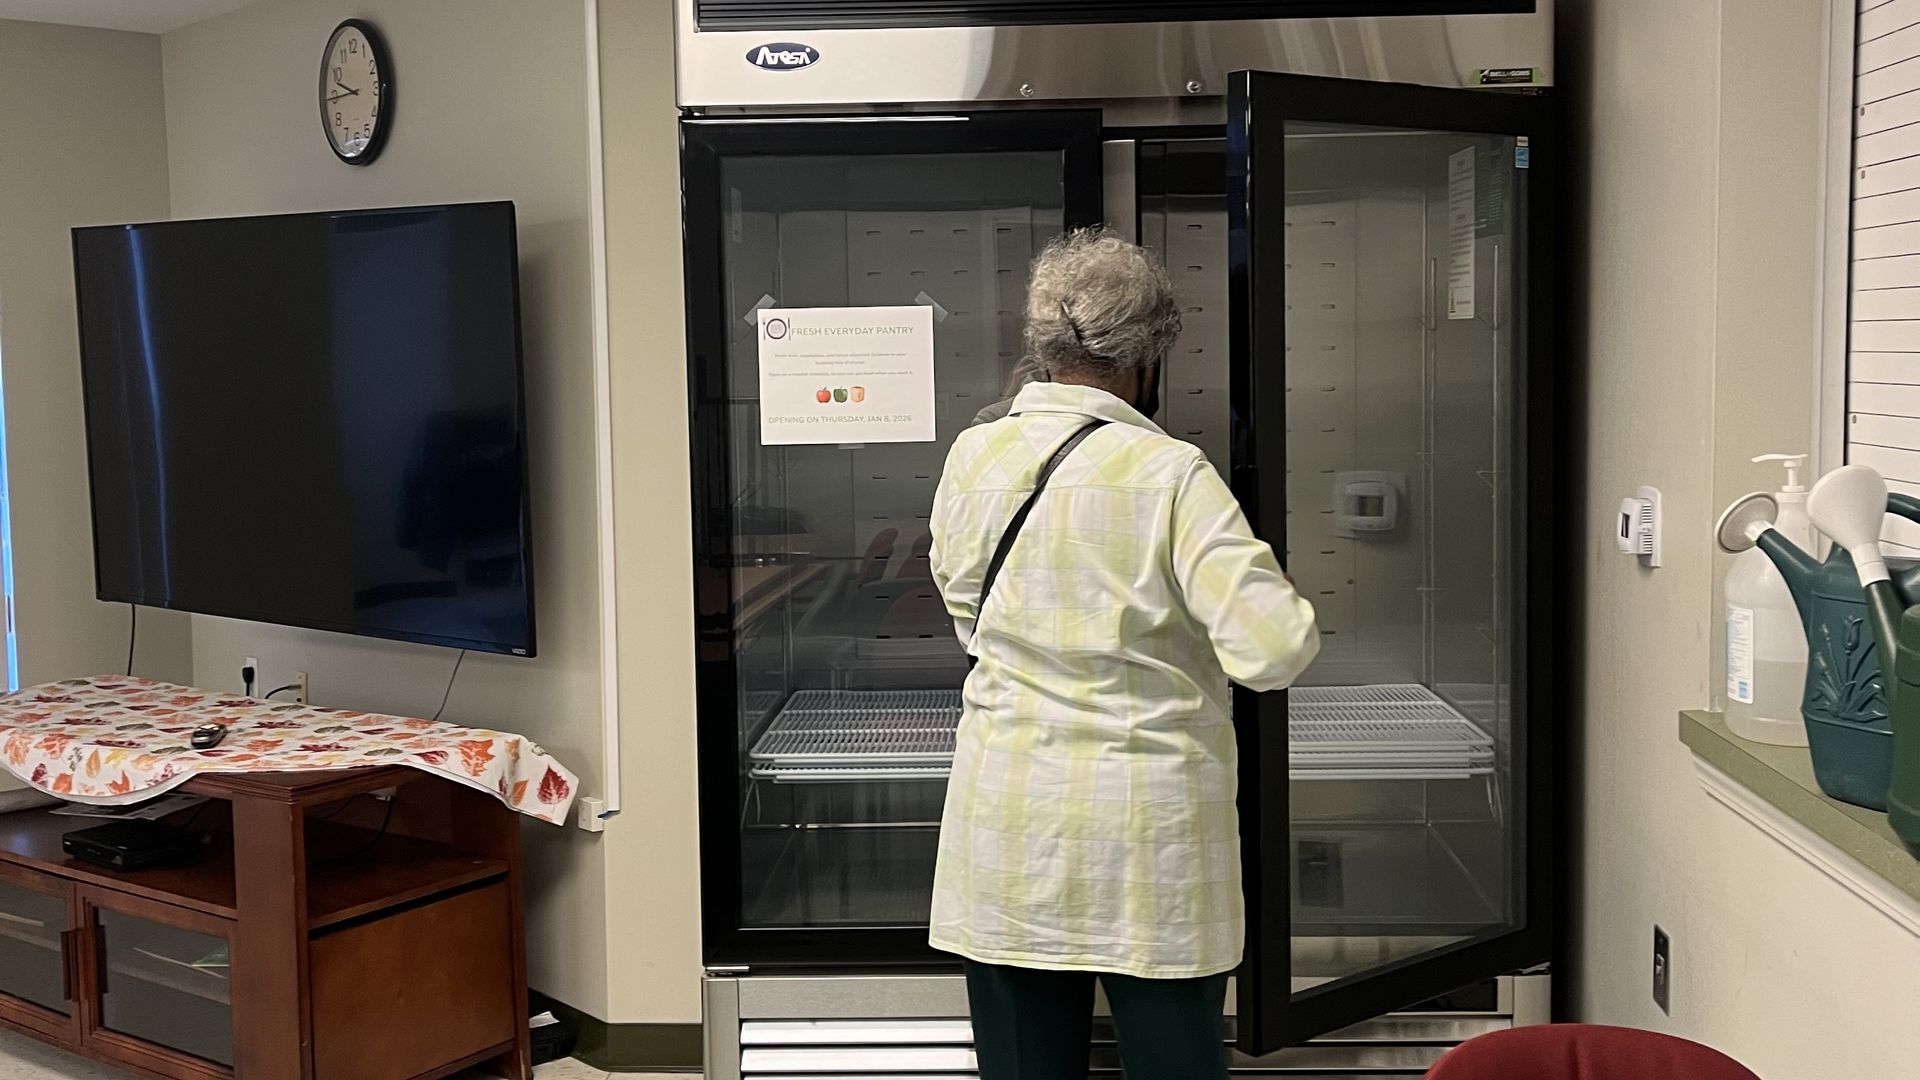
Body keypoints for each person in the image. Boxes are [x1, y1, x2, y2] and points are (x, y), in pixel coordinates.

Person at [927, 227, 1322, 1079]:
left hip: (1009, 821)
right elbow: (1272, 649)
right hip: (1151, 837)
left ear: (1042, 343)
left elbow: (967, 613)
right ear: (1148, 355)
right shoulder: (1174, 474)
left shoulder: (974, 456)